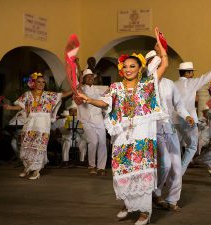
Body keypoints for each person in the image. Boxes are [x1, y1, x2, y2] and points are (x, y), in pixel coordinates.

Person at [78, 27, 168, 225]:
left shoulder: (147, 85)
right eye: (125, 66)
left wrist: (160, 44)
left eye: (132, 66)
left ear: (139, 68)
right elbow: (105, 103)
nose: (128, 69)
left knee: (142, 170)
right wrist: (88, 99)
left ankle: (145, 211)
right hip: (122, 136)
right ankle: (128, 205)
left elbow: (164, 64)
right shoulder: (116, 87)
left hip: (142, 134)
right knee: (122, 170)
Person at [145, 50, 193, 211]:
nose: (157, 63)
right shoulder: (146, 83)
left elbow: (179, 105)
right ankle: (156, 192)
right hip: (154, 127)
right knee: (165, 163)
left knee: (176, 165)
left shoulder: (169, 84)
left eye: (158, 60)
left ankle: (173, 200)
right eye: (153, 61)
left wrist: (187, 116)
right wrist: (159, 52)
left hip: (169, 126)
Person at [3, 72, 72, 180]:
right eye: (39, 82)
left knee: (39, 146)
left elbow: (62, 95)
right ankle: (27, 168)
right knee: (27, 144)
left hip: (43, 122)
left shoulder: (49, 95)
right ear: (33, 83)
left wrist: (75, 88)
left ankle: (36, 171)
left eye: (43, 82)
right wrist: (10, 107)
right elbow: (22, 107)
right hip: (31, 122)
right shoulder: (27, 94)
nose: (41, 84)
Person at [174, 61, 211, 175]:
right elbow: (208, 76)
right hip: (187, 119)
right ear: (188, 73)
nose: (193, 75)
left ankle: (172, 171)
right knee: (192, 146)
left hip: (174, 119)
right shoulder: (190, 83)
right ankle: (179, 172)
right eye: (192, 73)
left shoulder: (174, 84)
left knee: (175, 147)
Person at [77, 68, 107, 175]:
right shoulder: (80, 90)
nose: (90, 78)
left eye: (91, 76)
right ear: (84, 79)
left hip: (98, 119)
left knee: (103, 142)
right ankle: (91, 165)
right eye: (87, 77)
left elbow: (104, 102)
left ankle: (101, 167)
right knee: (93, 141)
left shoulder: (99, 91)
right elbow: (78, 94)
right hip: (86, 120)